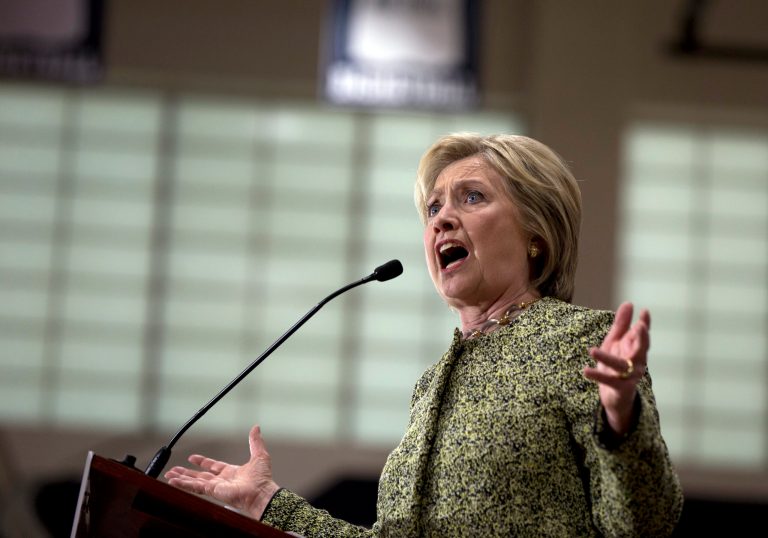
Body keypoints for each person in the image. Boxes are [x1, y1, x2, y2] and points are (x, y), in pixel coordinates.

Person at [165, 133, 684, 536]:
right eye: (433, 208)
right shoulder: (433, 383)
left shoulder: (579, 342)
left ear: (536, 236)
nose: (442, 220)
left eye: (472, 198)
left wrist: (622, 420)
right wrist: (266, 503)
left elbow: (644, 525)